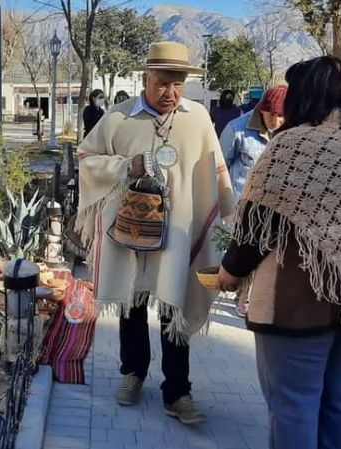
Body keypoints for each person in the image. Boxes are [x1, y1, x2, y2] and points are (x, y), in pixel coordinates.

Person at [218, 56, 341, 449]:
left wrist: (230, 272)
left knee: (294, 404)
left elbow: (255, 227)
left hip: (297, 303)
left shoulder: (292, 146)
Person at [76, 41, 235, 425]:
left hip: (179, 232)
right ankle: (132, 374)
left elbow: (214, 172)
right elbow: (86, 158)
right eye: (162, 83)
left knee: (173, 304)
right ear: (145, 78)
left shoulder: (197, 118)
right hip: (129, 230)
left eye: (178, 84)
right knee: (132, 303)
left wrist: (225, 221)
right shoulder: (118, 118)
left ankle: (177, 392)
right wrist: (127, 165)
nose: (171, 93)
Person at [220, 85, 286, 201]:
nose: (275, 121)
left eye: (280, 116)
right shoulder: (235, 130)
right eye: (271, 114)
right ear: (262, 110)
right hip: (241, 204)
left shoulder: (292, 131)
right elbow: (220, 169)